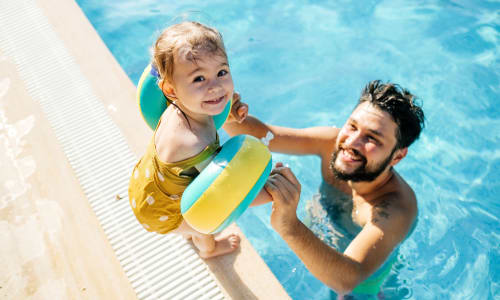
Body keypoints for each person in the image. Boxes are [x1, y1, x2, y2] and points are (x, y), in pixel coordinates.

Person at [225, 80, 425, 297]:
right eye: (352, 126)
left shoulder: (395, 208)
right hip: (322, 238)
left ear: (398, 156)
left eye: (372, 138)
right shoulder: (331, 143)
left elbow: (348, 278)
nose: (352, 142)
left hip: (363, 282)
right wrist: (227, 114)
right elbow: (261, 135)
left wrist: (288, 224)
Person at [128, 21, 270, 259]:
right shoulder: (192, 143)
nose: (215, 87)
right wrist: (270, 190)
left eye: (221, 72)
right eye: (198, 79)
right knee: (202, 227)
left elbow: (209, 114)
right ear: (171, 90)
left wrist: (230, 112)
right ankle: (209, 251)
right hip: (163, 211)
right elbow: (223, 191)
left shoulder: (176, 106)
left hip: (144, 186)